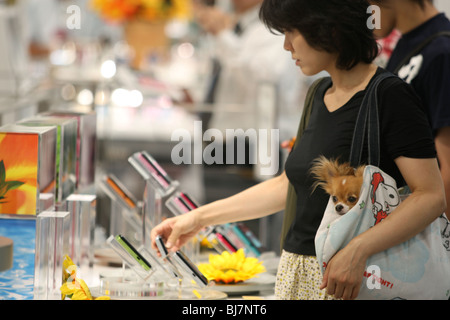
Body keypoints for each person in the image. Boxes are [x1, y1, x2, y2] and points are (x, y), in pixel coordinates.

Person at [151, 0, 446, 300]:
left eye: (293, 32)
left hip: (354, 278)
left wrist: (359, 248)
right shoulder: (319, 93)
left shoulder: (390, 96)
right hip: (298, 272)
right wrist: (197, 219)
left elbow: (430, 196)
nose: (287, 46)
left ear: (329, 29)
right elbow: (287, 186)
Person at [369, 0, 450, 220]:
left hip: (428, 219)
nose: (364, 12)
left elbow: (447, 163)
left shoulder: (441, 51)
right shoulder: (409, 43)